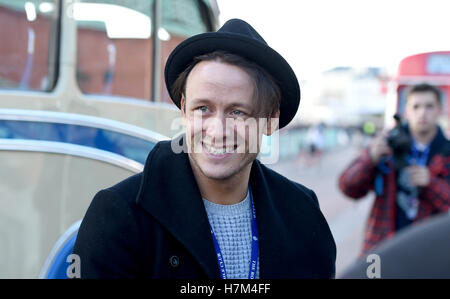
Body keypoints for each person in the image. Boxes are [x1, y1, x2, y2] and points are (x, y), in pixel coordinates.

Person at [72, 19, 336, 279]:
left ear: (270, 120)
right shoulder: (119, 216)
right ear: (184, 110)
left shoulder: (303, 213)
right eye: (203, 109)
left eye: (237, 112)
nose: (217, 130)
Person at [338, 83, 450, 255]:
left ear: (439, 109)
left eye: (429, 106)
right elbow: (347, 186)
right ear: (407, 110)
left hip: (429, 252)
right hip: (383, 247)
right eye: (416, 106)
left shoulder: (446, 152)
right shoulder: (388, 144)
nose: (422, 113)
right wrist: (371, 159)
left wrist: (431, 183)